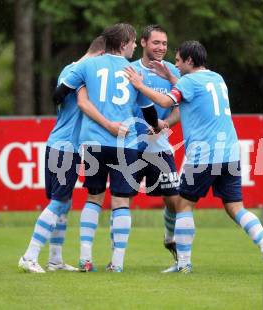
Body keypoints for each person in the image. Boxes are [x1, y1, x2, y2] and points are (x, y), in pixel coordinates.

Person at [124, 40, 263, 273]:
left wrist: (139, 84)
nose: (174, 64)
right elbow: (191, 92)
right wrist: (171, 77)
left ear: (189, 61)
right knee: (236, 207)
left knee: (183, 204)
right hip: (230, 152)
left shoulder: (188, 81)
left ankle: (183, 264)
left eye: (177, 60)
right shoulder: (217, 78)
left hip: (204, 154)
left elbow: (165, 101)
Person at [54, 23, 160, 273]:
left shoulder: (88, 65)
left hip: (93, 143)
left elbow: (59, 93)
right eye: (133, 41)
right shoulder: (133, 71)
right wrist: (155, 125)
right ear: (123, 44)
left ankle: (85, 258)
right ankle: (117, 263)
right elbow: (148, 111)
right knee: (121, 201)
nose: (135, 45)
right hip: (125, 144)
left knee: (93, 197)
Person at [18, 36, 106, 273]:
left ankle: (55, 259)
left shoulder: (71, 69)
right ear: (101, 54)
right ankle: (30, 255)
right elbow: (68, 99)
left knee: (64, 202)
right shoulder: (81, 71)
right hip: (65, 146)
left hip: (62, 145)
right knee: (58, 202)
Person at [129, 25, 181, 265]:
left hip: (159, 146)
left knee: (173, 198)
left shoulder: (171, 71)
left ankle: (170, 238)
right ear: (143, 43)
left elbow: (181, 108)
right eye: (156, 43)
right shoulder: (129, 71)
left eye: (164, 44)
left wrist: (164, 124)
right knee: (122, 199)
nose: (161, 48)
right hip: (130, 145)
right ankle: (115, 258)